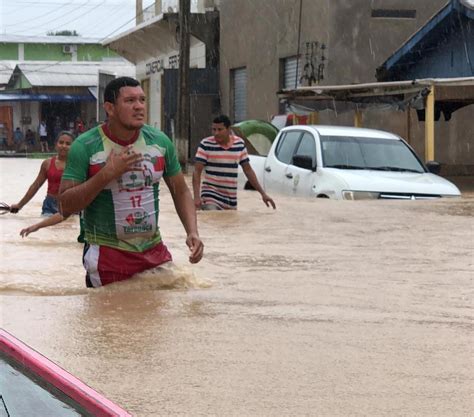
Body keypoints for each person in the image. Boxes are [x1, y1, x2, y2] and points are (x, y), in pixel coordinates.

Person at [58, 76, 204, 288]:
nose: (139, 107)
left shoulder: (160, 142)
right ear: (109, 108)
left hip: (155, 251)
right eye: (130, 101)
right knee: (113, 319)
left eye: (142, 100)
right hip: (107, 256)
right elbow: (64, 205)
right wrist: (106, 174)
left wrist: (192, 231)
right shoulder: (85, 146)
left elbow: (180, 191)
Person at [192, 115, 276, 211]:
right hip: (210, 196)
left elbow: (248, 170)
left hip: (230, 200)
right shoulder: (206, 144)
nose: (216, 133)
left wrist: (263, 194)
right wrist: (196, 197)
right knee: (213, 218)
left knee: (230, 224)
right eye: (213, 129)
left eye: (220, 129)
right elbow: (196, 172)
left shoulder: (239, 144)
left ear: (228, 129)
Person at [10, 131, 75, 216]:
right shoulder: (47, 164)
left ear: (73, 147)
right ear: (56, 145)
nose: (63, 146)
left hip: (71, 205)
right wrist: (19, 205)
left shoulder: (78, 165)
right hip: (50, 206)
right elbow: (35, 186)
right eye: (61, 142)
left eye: (68, 144)